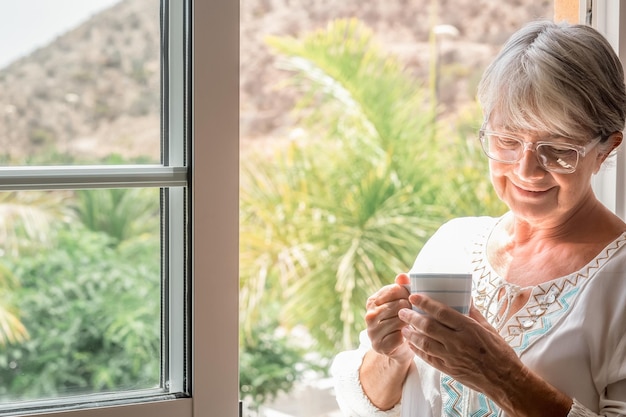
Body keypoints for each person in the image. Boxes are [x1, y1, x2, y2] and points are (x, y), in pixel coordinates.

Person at [330, 20, 626, 417]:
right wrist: (394, 352)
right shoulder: (452, 244)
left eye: (557, 149)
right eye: (507, 141)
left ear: (606, 148)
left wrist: (501, 376)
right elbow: (365, 404)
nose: (526, 170)